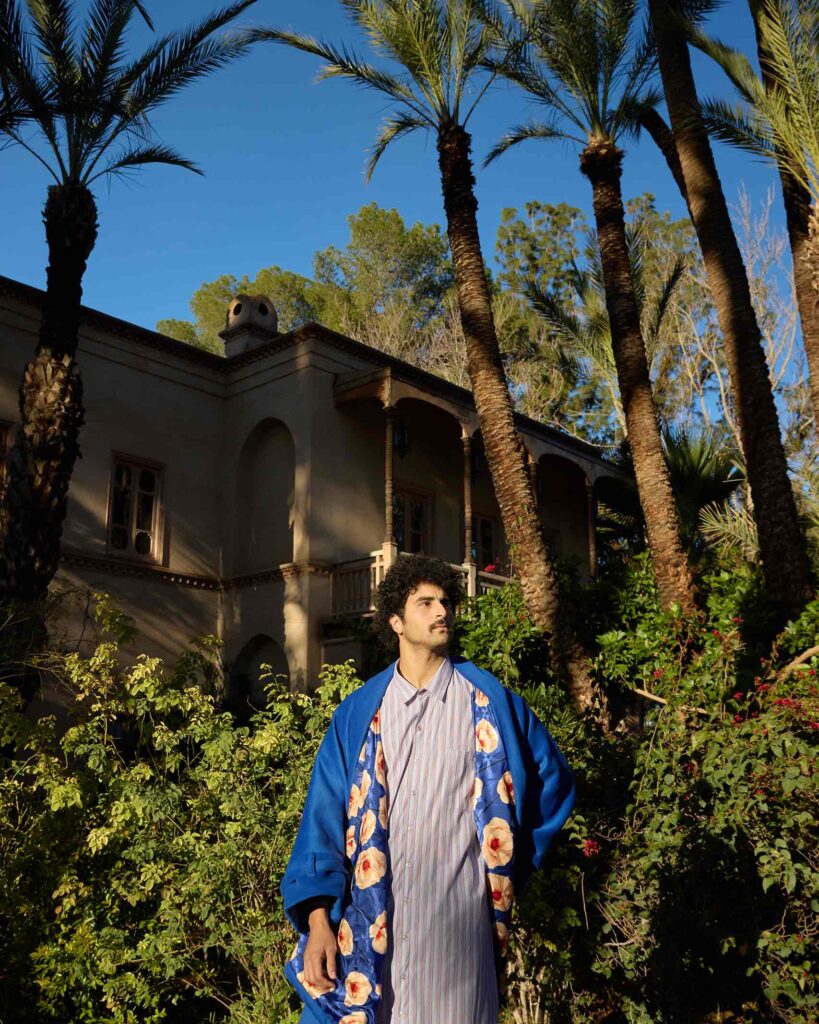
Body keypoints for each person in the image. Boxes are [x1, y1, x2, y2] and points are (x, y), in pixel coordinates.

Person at [281, 555, 575, 1024]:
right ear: (396, 621)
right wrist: (319, 921)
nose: (442, 611)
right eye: (425, 603)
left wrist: (508, 866)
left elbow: (552, 785)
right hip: (375, 942)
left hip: (459, 948)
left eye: (445, 602)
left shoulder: (489, 703)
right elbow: (322, 824)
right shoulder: (359, 715)